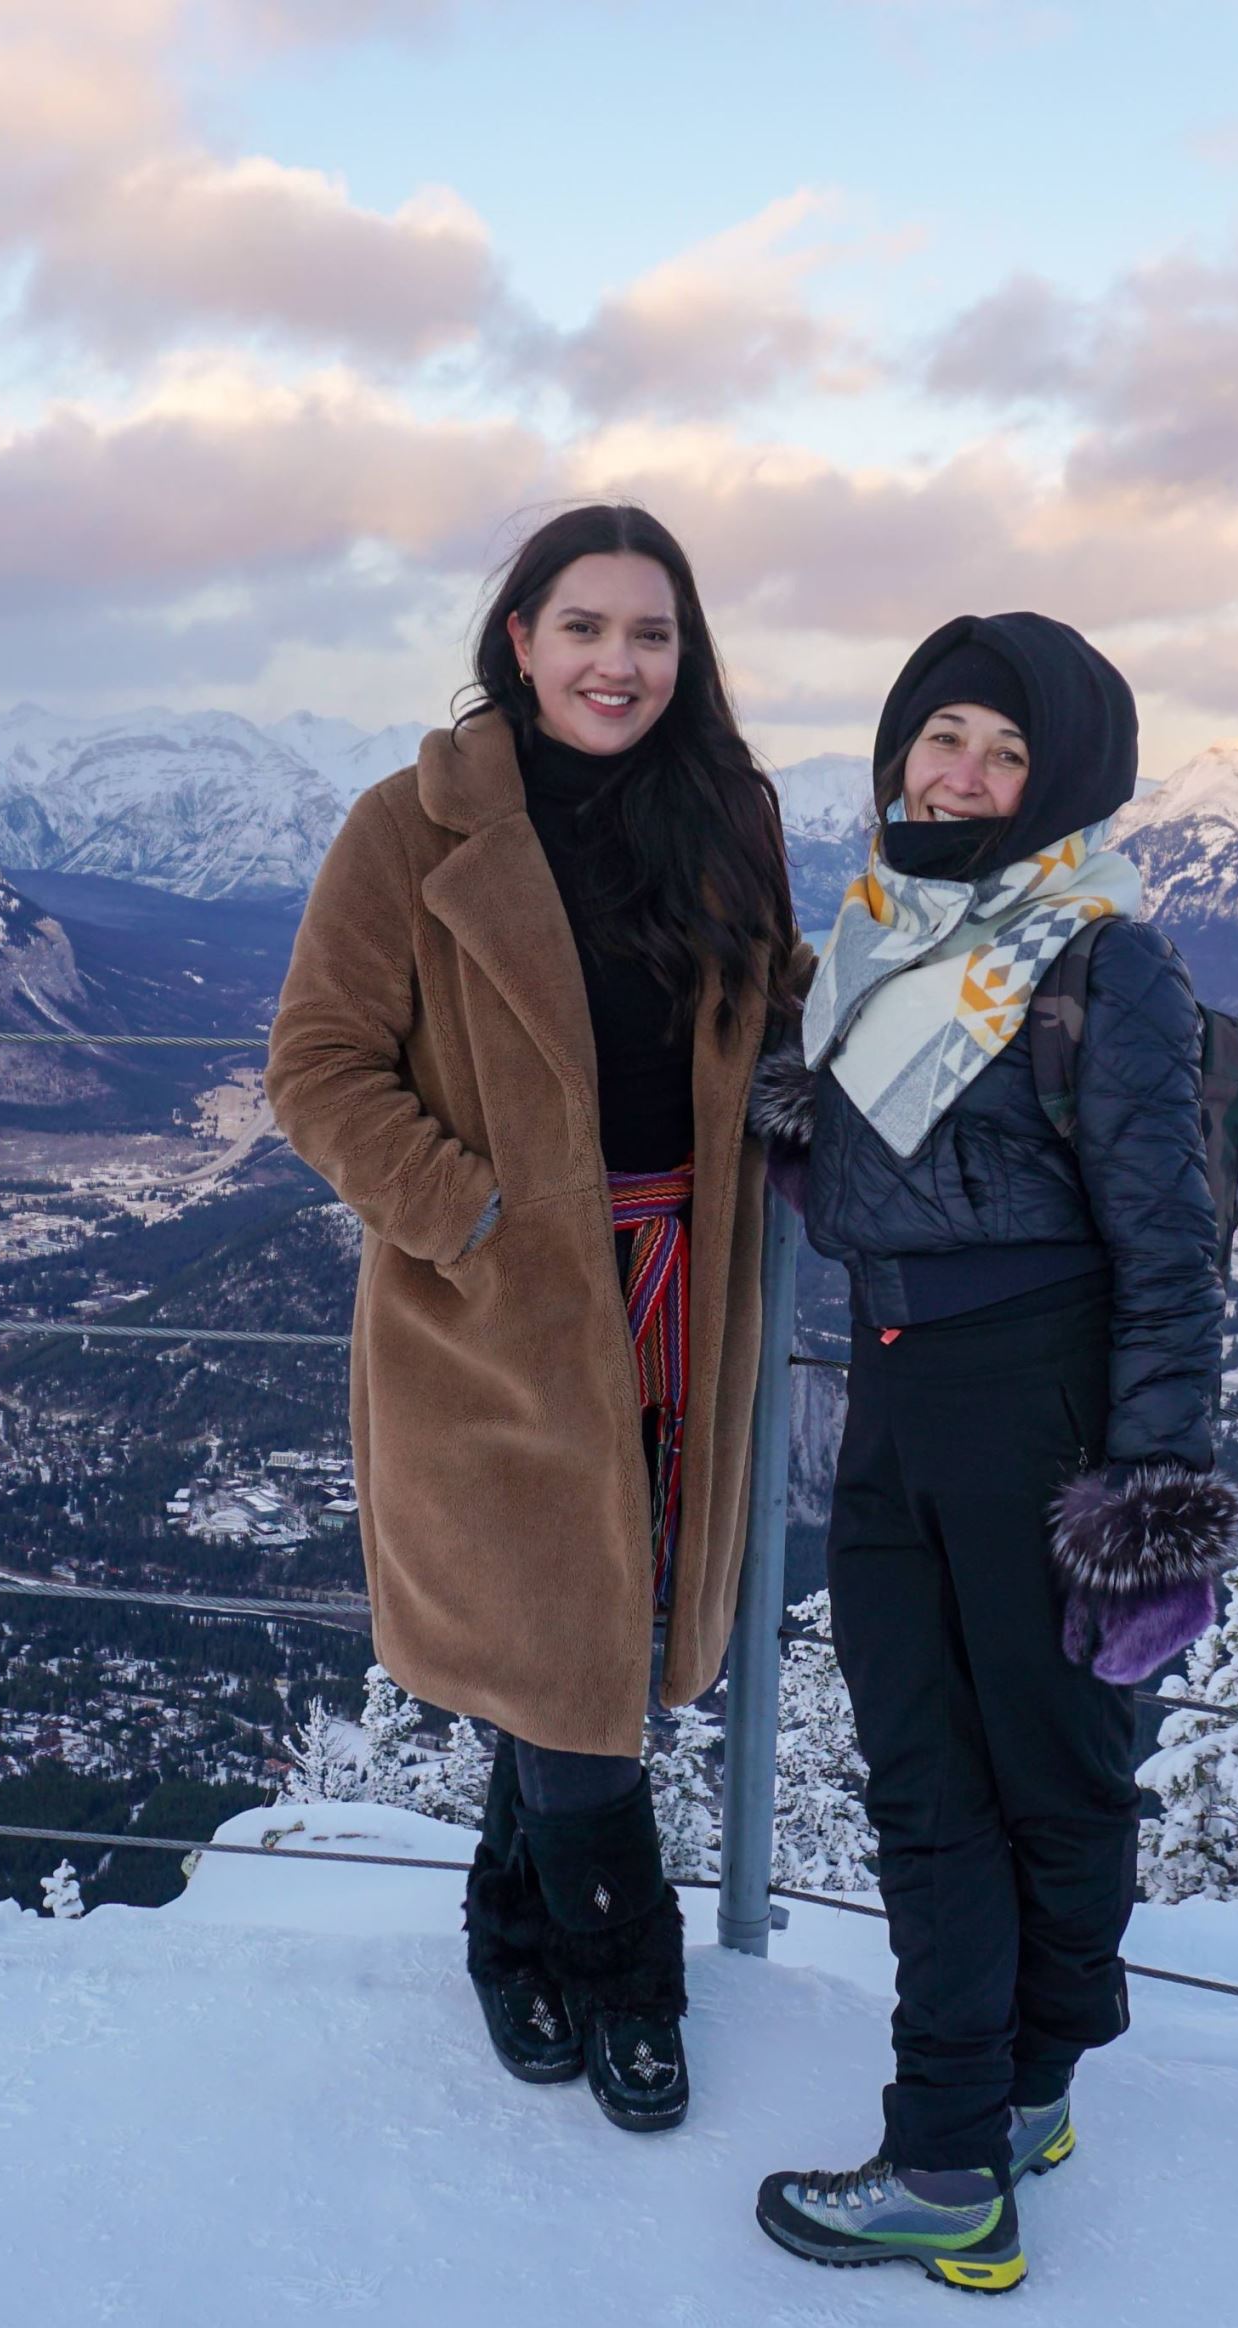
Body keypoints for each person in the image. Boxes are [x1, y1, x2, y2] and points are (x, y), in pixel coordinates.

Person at [266, 502, 797, 2133]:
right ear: (520, 640)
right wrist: (470, 1215)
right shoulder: (407, 833)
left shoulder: (729, 815)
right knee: (569, 1652)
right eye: (585, 628)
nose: (618, 663)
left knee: (581, 1633)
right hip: (498, 1307)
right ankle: (633, 1980)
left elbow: (767, 1014)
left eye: (651, 632)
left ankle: (507, 1935)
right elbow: (316, 1066)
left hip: (681, 1295)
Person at [744, 614, 1238, 2291]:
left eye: (1005, 753)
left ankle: (958, 2145)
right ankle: (1018, 2089)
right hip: (897, 1389)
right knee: (927, 1764)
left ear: (1063, 783)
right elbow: (881, 1156)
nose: (958, 773)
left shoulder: (1101, 959)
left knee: (1033, 1767)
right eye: (939, 735)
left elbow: (1169, 1250)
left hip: (1032, 1397)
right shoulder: (882, 938)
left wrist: (1154, 1500)